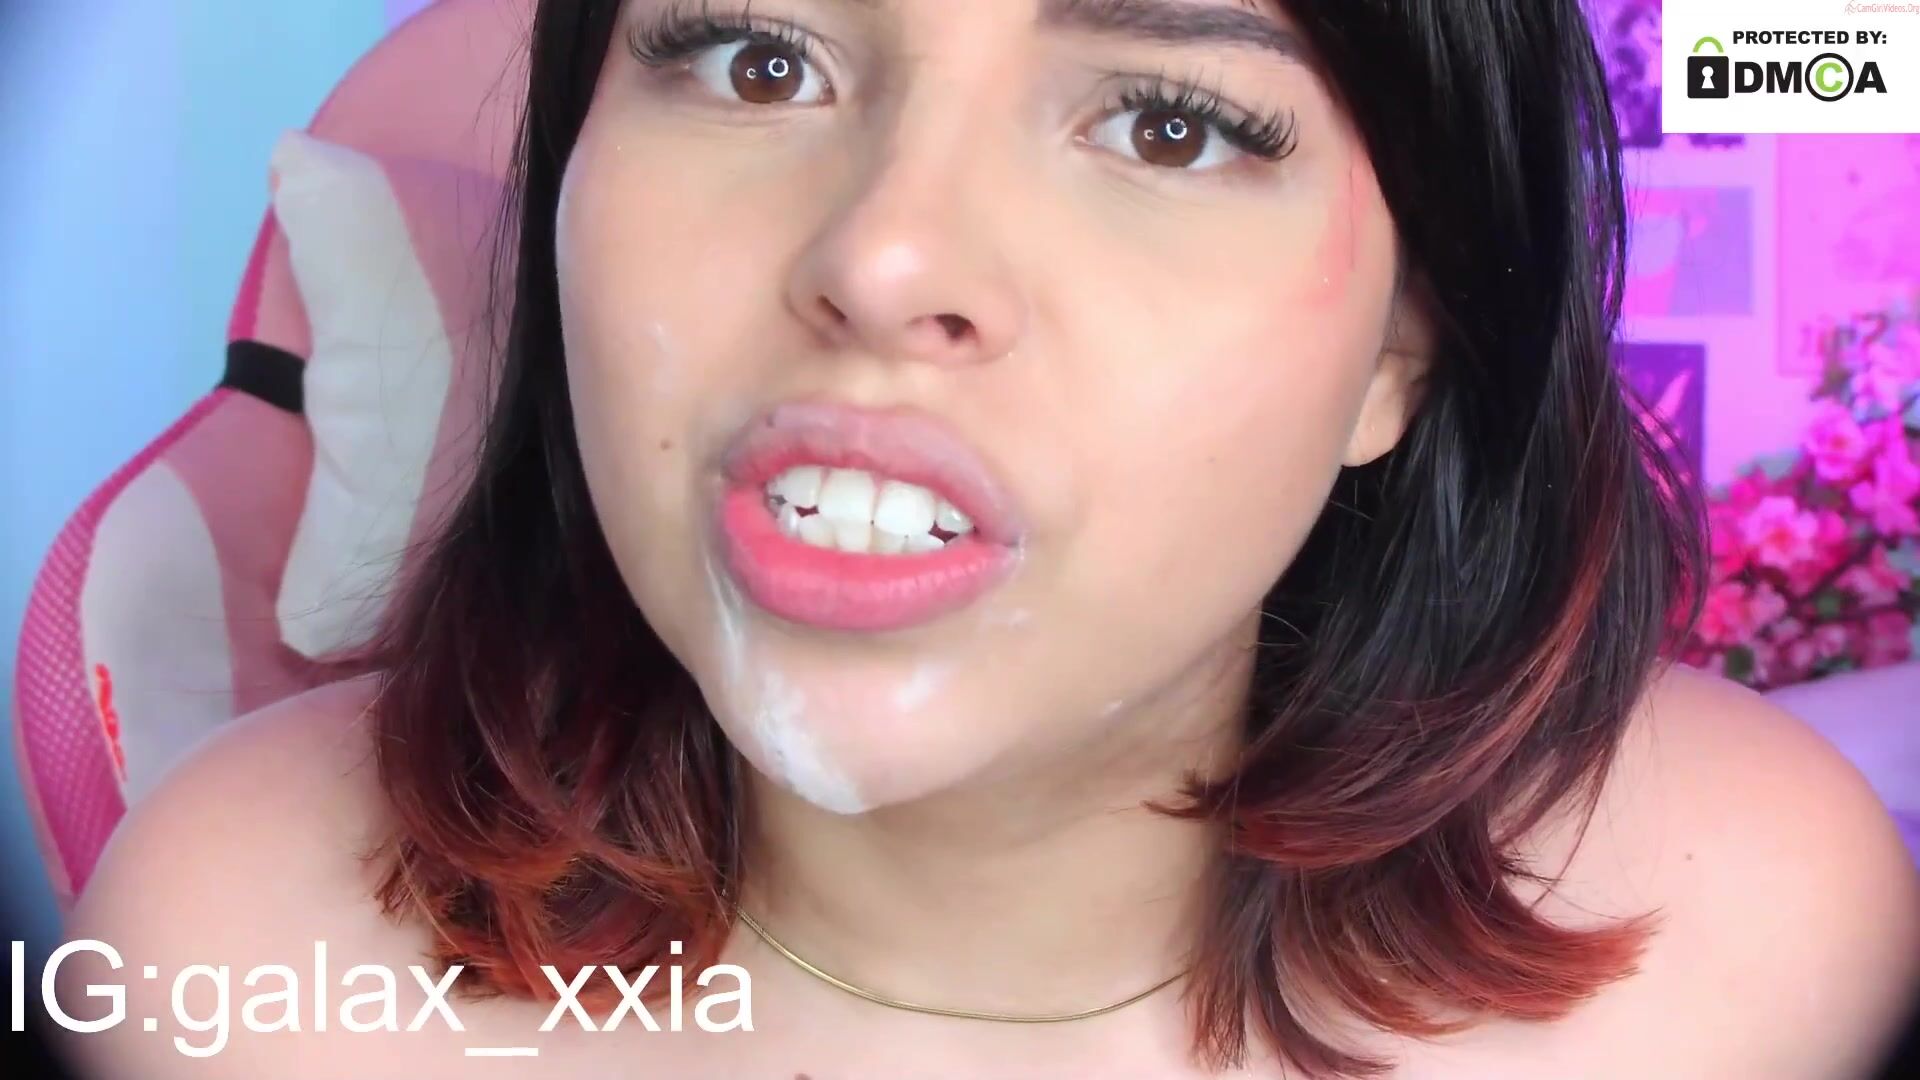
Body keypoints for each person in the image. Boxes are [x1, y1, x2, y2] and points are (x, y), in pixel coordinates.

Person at [56, 2, 1920, 1077]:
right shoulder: (234, 966)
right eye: (756, 57)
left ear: (1403, 349)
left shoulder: (1757, 951)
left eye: (1171, 127)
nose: (883, 258)